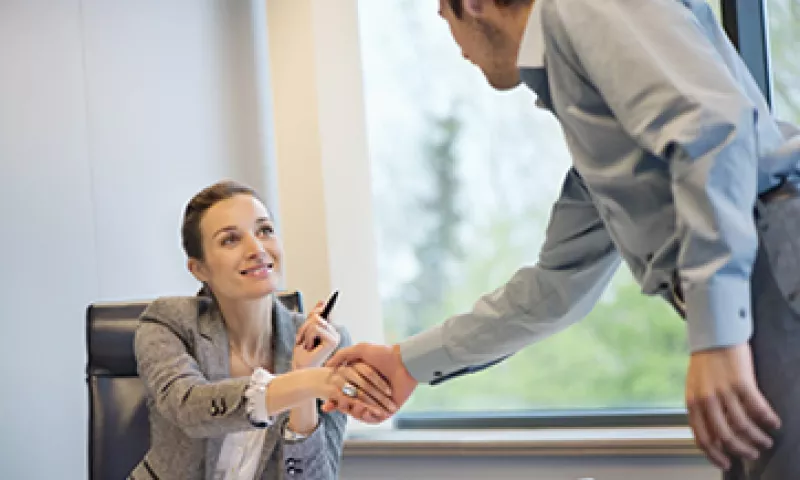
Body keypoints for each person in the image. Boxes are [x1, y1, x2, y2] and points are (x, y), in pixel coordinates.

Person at [324, 1, 800, 478]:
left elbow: (712, 133)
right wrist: (406, 362)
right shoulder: (592, 108)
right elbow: (555, 286)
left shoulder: (583, 6)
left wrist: (719, 336)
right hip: (757, 271)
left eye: (442, 14)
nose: (455, 43)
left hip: (774, 262)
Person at [130, 180, 395, 480]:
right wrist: (307, 382)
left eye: (265, 230)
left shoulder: (327, 345)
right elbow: (189, 409)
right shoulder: (169, 322)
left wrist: (304, 383)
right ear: (199, 269)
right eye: (230, 240)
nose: (257, 249)